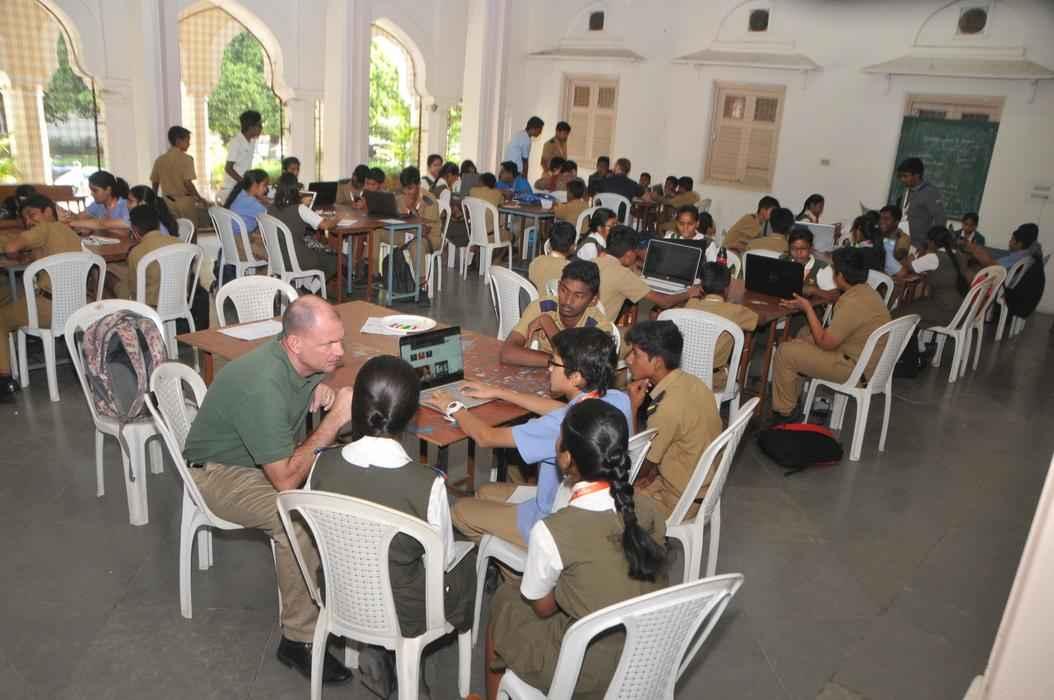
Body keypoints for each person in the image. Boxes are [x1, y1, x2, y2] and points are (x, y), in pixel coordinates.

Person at [182, 297, 353, 684]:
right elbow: (286, 480)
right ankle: (298, 639)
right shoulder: (261, 385)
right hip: (218, 474)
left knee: (340, 486)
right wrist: (332, 422)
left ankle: (329, 597)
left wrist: (320, 386)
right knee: (296, 520)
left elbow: (298, 390)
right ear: (294, 343)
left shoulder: (296, 360)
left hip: (256, 460)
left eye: (339, 340)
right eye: (329, 343)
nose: (340, 351)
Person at [311, 355, 475, 699]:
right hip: (404, 610)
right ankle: (406, 666)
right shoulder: (427, 484)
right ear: (412, 415)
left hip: (340, 591)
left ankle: (377, 653)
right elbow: (443, 559)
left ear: (355, 406)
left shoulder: (321, 465)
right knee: (466, 561)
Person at [484, 399, 667, 700]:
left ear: (566, 458)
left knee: (505, 601)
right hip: (646, 655)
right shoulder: (648, 508)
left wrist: (568, 588)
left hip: (586, 670)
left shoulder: (553, 531)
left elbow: (543, 608)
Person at [444, 326, 632, 548]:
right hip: (578, 500)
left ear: (575, 377)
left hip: (549, 520)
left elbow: (486, 437)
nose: (549, 368)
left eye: (554, 363)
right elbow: (561, 409)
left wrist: (453, 406)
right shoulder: (617, 399)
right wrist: (500, 392)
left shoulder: (562, 426)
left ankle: (516, 560)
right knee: (485, 492)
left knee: (459, 510)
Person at [770, 247, 891, 423]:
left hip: (855, 369)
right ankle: (792, 399)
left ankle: (786, 415)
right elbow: (839, 334)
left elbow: (825, 343)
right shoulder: (866, 292)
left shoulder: (851, 302)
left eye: (834, 269)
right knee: (804, 334)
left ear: (840, 276)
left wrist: (807, 308)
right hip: (862, 359)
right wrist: (802, 341)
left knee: (785, 352)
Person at [624, 320, 724, 517]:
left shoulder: (666, 407)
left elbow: (637, 467)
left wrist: (633, 407)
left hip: (679, 500)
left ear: (657, 362)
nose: (628, 360)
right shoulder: (693, 382)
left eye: (635, 354)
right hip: (699, 485)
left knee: (604, 498)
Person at [0, 195, 83, 400]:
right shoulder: (71, 233)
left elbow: (10, 248)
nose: (29, 221)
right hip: (77, 307)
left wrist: (12, 250)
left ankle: (4, 380)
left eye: (32, 214)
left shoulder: (44, 229)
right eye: (25, 218)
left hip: (48, 308)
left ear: (48, 211)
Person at [500, 260, 612, 367]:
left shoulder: (598, 328)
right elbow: (507, 353)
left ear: (593, 300)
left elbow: (584, 368)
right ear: (558, 286)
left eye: (578, 296)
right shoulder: (543, 307)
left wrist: (547, 323)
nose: (568, 301)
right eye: (564, 290)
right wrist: (555, 361)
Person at [595, 225, 702, 323]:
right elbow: (664, 302)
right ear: (629, 254)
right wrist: (689, 293)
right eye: (636, 253)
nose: (636, 257)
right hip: (601, 331)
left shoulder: (593, 261)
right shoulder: (623, 275)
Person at [685, 262, 759, 391]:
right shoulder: (735, 311)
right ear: (727, 288)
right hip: (714, 380)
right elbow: (757, 320)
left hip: (685, 375)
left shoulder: (690, 304)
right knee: (753, 338)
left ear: (701, 287)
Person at [267, 172, 338, 286]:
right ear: (295, 189)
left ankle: (306, 285)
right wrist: (337, 219)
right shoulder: (300, 208)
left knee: (315, 247)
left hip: (277, 259)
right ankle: (312, 288)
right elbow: (325, 225)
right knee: (333, 260)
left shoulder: (270, 209)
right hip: (297, 259)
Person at [895, 225, 969, 327]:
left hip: (946, 312)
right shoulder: (960, 254)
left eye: (928, 241)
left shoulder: (934, 258)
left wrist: (903, 255)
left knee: (897, 313)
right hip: (962, 310)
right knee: (917, 303)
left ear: (932, 243)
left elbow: (910, 266)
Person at [150, 126, 208, 226]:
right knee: (191, 229)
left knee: (173, 230)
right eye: (187, 140)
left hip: (168, 203)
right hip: (185, 202)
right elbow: (187, 183)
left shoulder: (160, 160)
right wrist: (199, 198)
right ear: (178, 141)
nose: (189, 144)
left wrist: (154, 198)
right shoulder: (187, 159)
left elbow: (155, 182)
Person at [125, 204, 181, 305]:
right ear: (158, 224)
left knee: (116, 282)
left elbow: (134, 290)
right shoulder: (180, 243)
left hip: (150, 306)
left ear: (134, 229)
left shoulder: (136, 252)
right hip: (179, 301)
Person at [897, 157, 946, 248]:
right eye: (900, 176)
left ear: (917, 175)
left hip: (919, 246)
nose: (902, 179)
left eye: (905, 176)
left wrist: (928, 245)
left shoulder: (930, 192)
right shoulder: (905, 190)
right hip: (902, 241)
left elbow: (940, 220)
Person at [223, 169, 270, 261]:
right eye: (264, 185)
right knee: (275, 254)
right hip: (241, 246)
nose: (266, 189)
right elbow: (270, 215)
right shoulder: (251, 203)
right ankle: (262, 271)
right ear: (255, 185)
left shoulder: (241, 195)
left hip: (231, 243)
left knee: (261, 237)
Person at [218, 110, 263, 203]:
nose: (261, 128)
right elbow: (228, 168)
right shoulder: (236, 142)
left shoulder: (252, 141)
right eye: (259, 125)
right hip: (230, 189)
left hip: (242, 188)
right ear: (251, 127)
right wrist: (244, 183)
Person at [965, 222, 1043, 272]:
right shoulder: (1029, 252)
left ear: (1019, 244)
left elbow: (992, 264)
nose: (1009, 241)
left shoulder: (1019, 257)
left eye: (1012, 239)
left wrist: (976, 252)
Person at [786, 227, 837, 299]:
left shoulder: (822, 268)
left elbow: (835, 296)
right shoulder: (784, 262)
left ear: (811, 248)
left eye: (803, 249)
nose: (798, 253)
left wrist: (813, 290)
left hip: (811, 305)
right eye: (794, 249)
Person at [528, 220, 575, 291]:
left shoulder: (535, 262)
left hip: (538, 298)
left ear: (549, 244)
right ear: (572, 247)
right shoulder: (572, 270)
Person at [878, 204, 911, 275]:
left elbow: (899, 256)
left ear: (896, 222)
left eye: (886, 219)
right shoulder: (876, 235)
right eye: (880, 218)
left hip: (894, 277)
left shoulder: (903, 238)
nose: (881, 221)